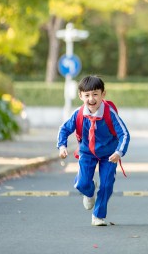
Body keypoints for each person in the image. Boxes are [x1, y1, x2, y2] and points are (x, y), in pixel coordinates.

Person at [57, 75, 130, 226]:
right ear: (80, 96)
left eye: (95, 94)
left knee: (107, 184)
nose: (91, 99)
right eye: (87, 95)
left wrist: (118, 152)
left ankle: (98, 215)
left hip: (109, 154)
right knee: (82, 184)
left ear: (103, 94)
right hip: (87, 153)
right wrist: (62, 146)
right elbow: (64, 129)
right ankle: (89, 191)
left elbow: (124, 134)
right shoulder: (78, 114)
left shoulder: (110, 113)